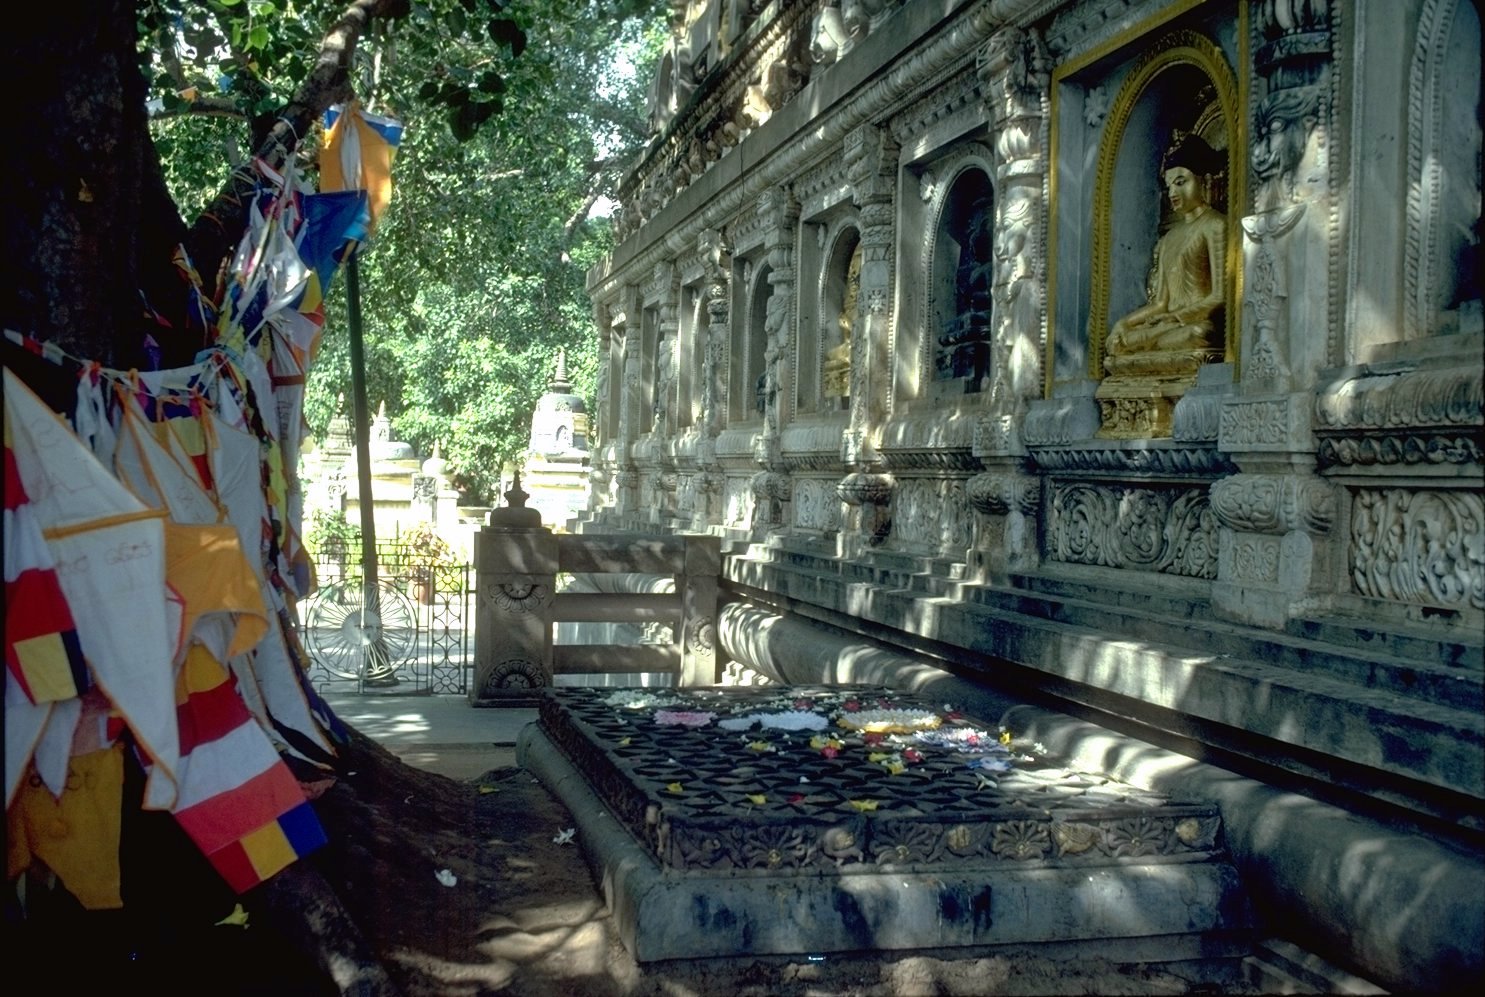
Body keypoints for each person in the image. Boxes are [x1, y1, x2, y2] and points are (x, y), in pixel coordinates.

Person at [1105, 132, 1227, 367]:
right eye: (1169, 185)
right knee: (1119, 340)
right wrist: (1125, 323)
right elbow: (1161, 302)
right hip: (1166, 325)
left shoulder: (1216, 225)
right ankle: (1143, 342)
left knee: (1199, 334)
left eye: (1181, 182)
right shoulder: (1169, 239)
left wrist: (1176, 317)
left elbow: (1219, 296)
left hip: (1192, 324)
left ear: (1205, 180)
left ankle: (1146, 344)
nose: (1172, 193)